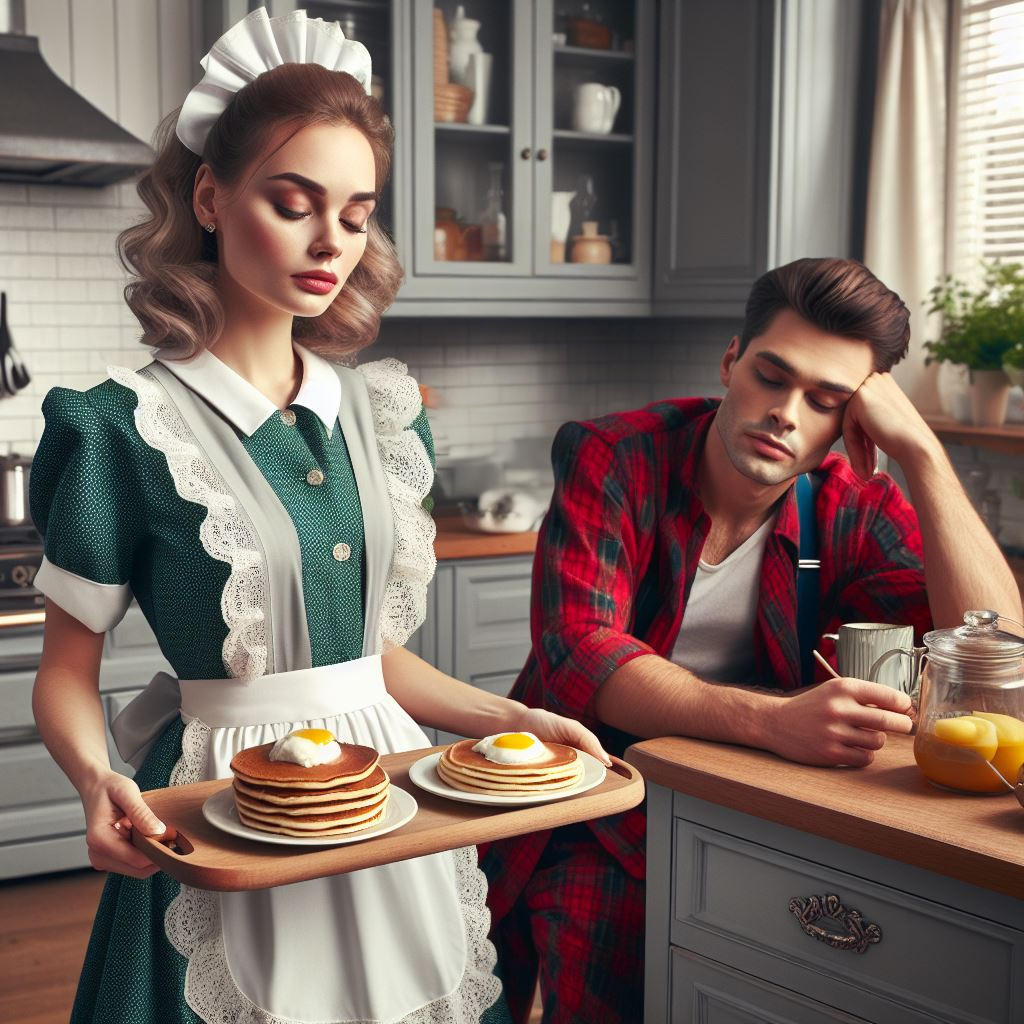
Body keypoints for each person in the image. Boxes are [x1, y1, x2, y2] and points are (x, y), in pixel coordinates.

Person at [29, 10, 608, 1024]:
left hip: (389, 797)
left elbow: (376, 660)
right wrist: (95, 780)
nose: (330, 241)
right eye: (293, 203)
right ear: (209, 196)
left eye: (355, 211)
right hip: (220, 802)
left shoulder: (380, 414)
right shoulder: (124, 426)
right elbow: (66, 675)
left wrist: (515, 722)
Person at [481, 256, 1023, 1023]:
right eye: (772, 376)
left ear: (850, 424)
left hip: (748, 802)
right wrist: (774, 721)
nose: (787, 413)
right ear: (731, 361)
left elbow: (997, 654)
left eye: (825, 400)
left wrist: (923, 457)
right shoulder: (617, 456)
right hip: (590, 792)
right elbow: (580, 653)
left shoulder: (850, 505)